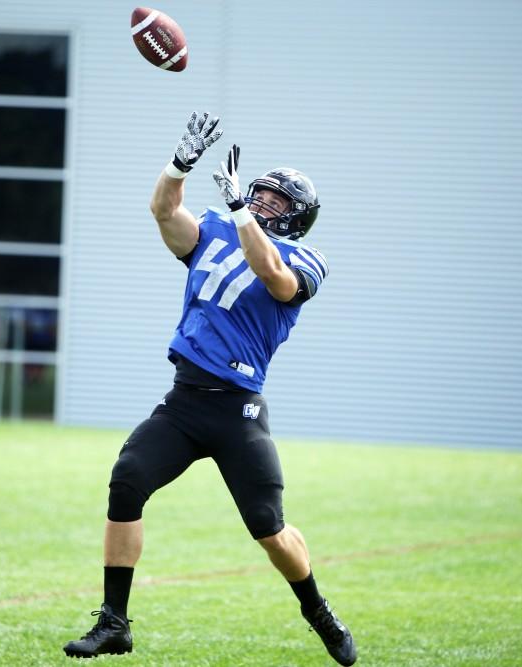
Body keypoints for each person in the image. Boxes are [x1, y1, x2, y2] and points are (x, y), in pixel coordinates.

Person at [63, 112, 356, 666]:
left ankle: (317, 610)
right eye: (261, 195)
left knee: (269, 530)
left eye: (277, 202)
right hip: (184, 400)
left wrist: (245, 213)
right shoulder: (219, 226)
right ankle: (114, 622)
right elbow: (164, 212)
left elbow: (273, 277)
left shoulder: (305, 258)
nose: (264, 203)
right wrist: (180, 164)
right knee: (126, 482)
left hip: (237, 412)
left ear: (300, 219)